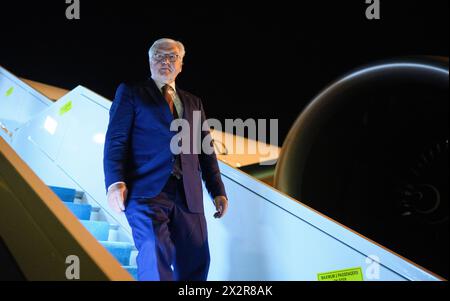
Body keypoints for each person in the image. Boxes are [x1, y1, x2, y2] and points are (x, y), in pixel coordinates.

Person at [103, 38, 228, 281]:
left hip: (188, 194)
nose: (165, 61)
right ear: (150, 62)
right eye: (159, 56)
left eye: (172, 57)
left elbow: (206, 151)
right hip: (146, 190)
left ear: (181, 64)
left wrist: (217, 191)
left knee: (197, 258)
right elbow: (116, 140)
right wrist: (114, 182)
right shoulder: (130, 93)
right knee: (154, 248)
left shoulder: (194, 102)